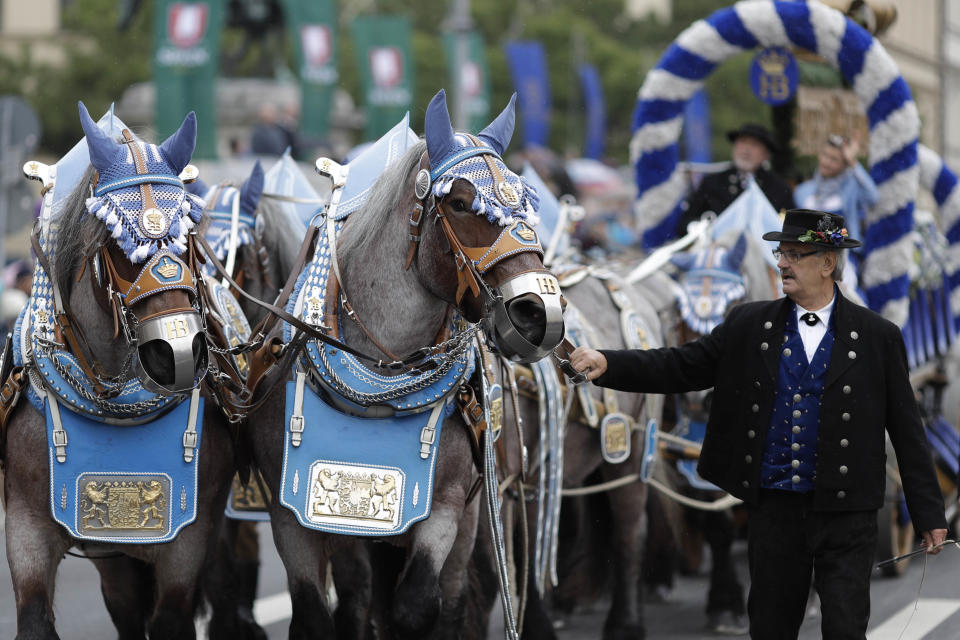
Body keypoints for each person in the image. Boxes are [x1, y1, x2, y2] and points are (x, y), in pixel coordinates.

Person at [570, 209, 948, 639]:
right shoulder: (750, 324)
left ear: (828, 263)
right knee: (770, 628)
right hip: (774, 510)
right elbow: (682, 366)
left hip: (848, 513)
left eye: (795, 254)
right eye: (780, 252)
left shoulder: (878, 336)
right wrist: (608, 362)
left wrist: (928, 512)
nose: (782, 263)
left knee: (845, 629)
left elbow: (906, 428)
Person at [676, 123, 795, 236]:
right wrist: (699, 228)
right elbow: (685, 223)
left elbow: (791, 227)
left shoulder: (779, 189)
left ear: (766, 154)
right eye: (743, 142)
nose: (746, 149)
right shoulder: (712, 183)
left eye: (754, 144)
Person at [794, 132, 877, 285]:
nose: (826, 162)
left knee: (846, 287)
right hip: (805, 256)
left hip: (841, 257)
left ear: (844, 164)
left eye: (834, 159)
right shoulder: (802, 192)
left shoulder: (851, 190)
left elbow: (873, 196)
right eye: (825, 155)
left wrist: (853, 162)